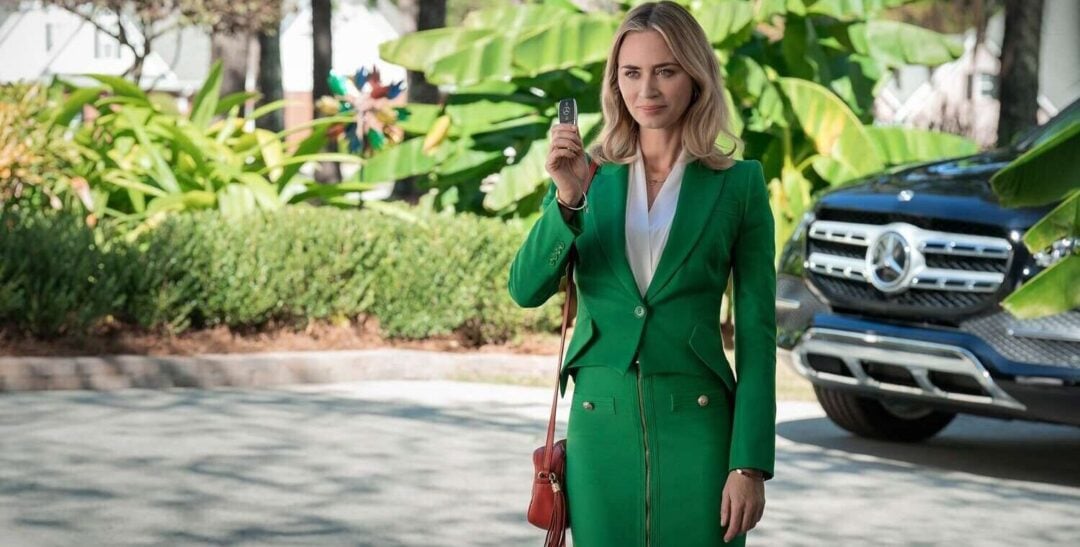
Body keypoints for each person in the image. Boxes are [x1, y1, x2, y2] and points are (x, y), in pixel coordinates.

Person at [507, 1, 776, 546]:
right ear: (615, 82)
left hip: (699, 426)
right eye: (632, 73)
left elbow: (757, 332)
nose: (646, 90)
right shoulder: (587, 175)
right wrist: (567, 197)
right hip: (599, 422)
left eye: (665, 71)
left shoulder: (739, 185)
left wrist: (749, 465)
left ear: (695, 78)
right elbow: (526, 288)